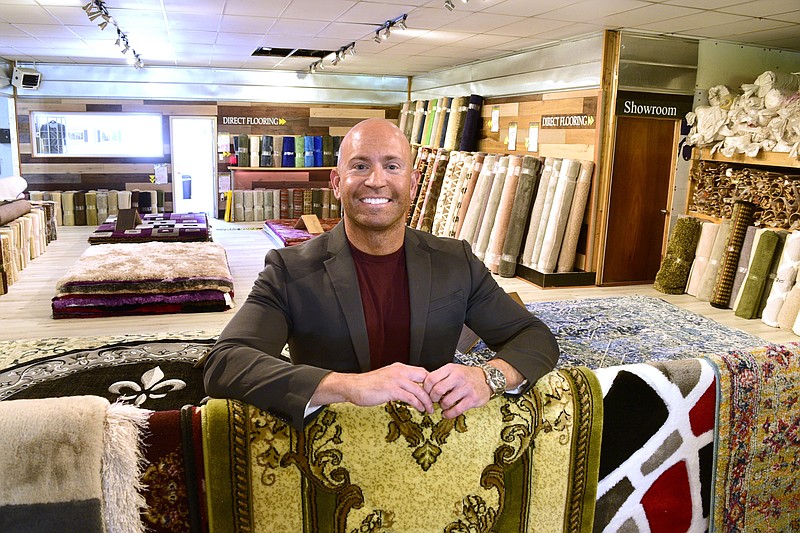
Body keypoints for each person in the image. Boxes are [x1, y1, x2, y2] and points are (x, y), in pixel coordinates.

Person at [203, 118, 559, 430]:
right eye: (360, 166)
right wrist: (347, 386)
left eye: (392, 166)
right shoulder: (290, 269)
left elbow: (533, 336)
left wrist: (489, 376)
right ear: (337, 182)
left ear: (414, 182)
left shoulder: (456, 261)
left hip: (434, 443)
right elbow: (226, 362)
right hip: (335, 447)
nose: (376, 181)